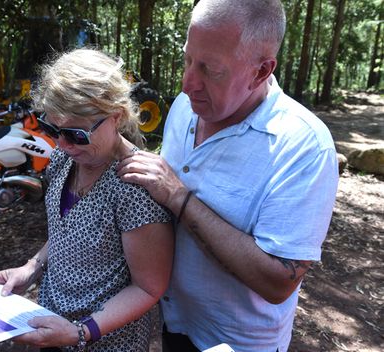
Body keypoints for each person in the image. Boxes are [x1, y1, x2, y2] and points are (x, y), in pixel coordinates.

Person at [117, 0, 339, 351]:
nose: (189, 83)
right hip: (172, 322)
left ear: (261, 71)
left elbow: (279, 282)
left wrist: (178, 197)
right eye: (188, 59)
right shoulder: (183, 108)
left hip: (237, 343)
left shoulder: (302, 147)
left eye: (210, 70)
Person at [0, 48, 174, 351]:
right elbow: (65, 230)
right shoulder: (62, 160)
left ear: (116, 116)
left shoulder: (135, 186)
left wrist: (80, 332)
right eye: (52, 129)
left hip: (105, 341)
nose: (63, 143)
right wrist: (32, 266)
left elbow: (148, 287)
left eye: (76, 134)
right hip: (50, 324)